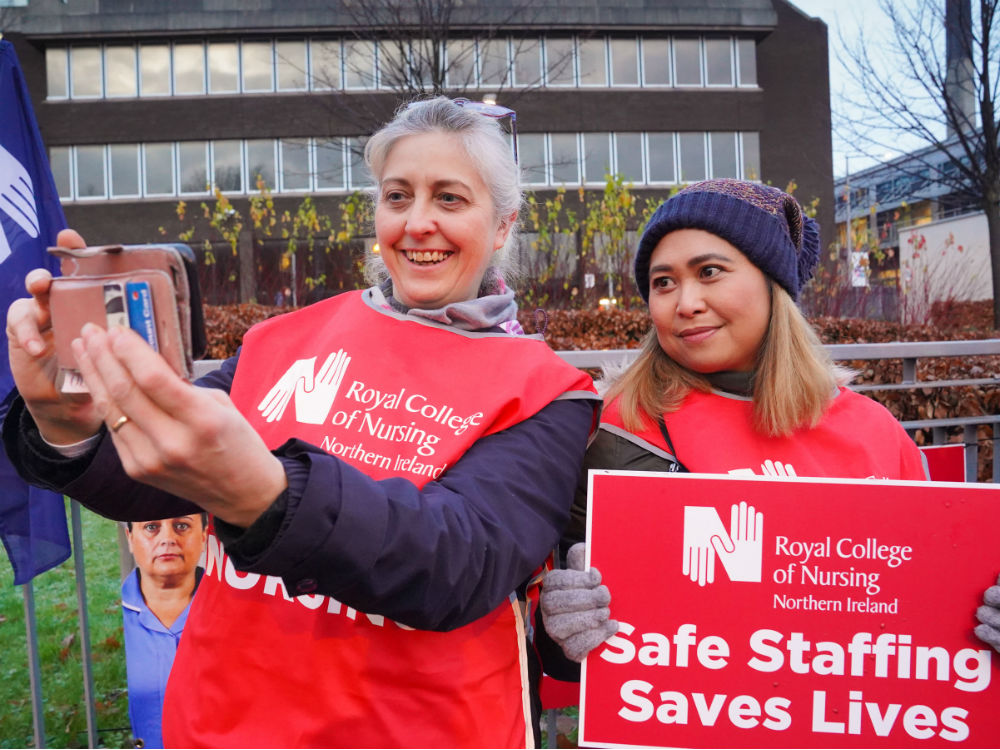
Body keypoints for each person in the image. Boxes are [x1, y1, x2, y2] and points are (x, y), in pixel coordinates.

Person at [4, 97, 600, 747]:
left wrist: (268, 494)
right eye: (397, 197)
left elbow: (459, 561)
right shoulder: (285, 339)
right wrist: (69, 422)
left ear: (505, 225)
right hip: (223, 724)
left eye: (450, 199)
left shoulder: (546, 391)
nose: (418, 222)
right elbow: (162, 478)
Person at [537, 178, 933, 670]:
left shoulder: (875, 433)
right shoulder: (618, 427)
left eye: (709, 272)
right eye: (663, 282)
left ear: (774, 286)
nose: (684, 303)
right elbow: (565, 657)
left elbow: (923, 612)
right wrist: (564, 627)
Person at [121, 513, 207, 749]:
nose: (168, 538)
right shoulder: (104, 617)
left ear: (204, 536)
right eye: (151, 527)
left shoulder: (234, 612)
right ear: (130, 538)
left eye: (182, 525)